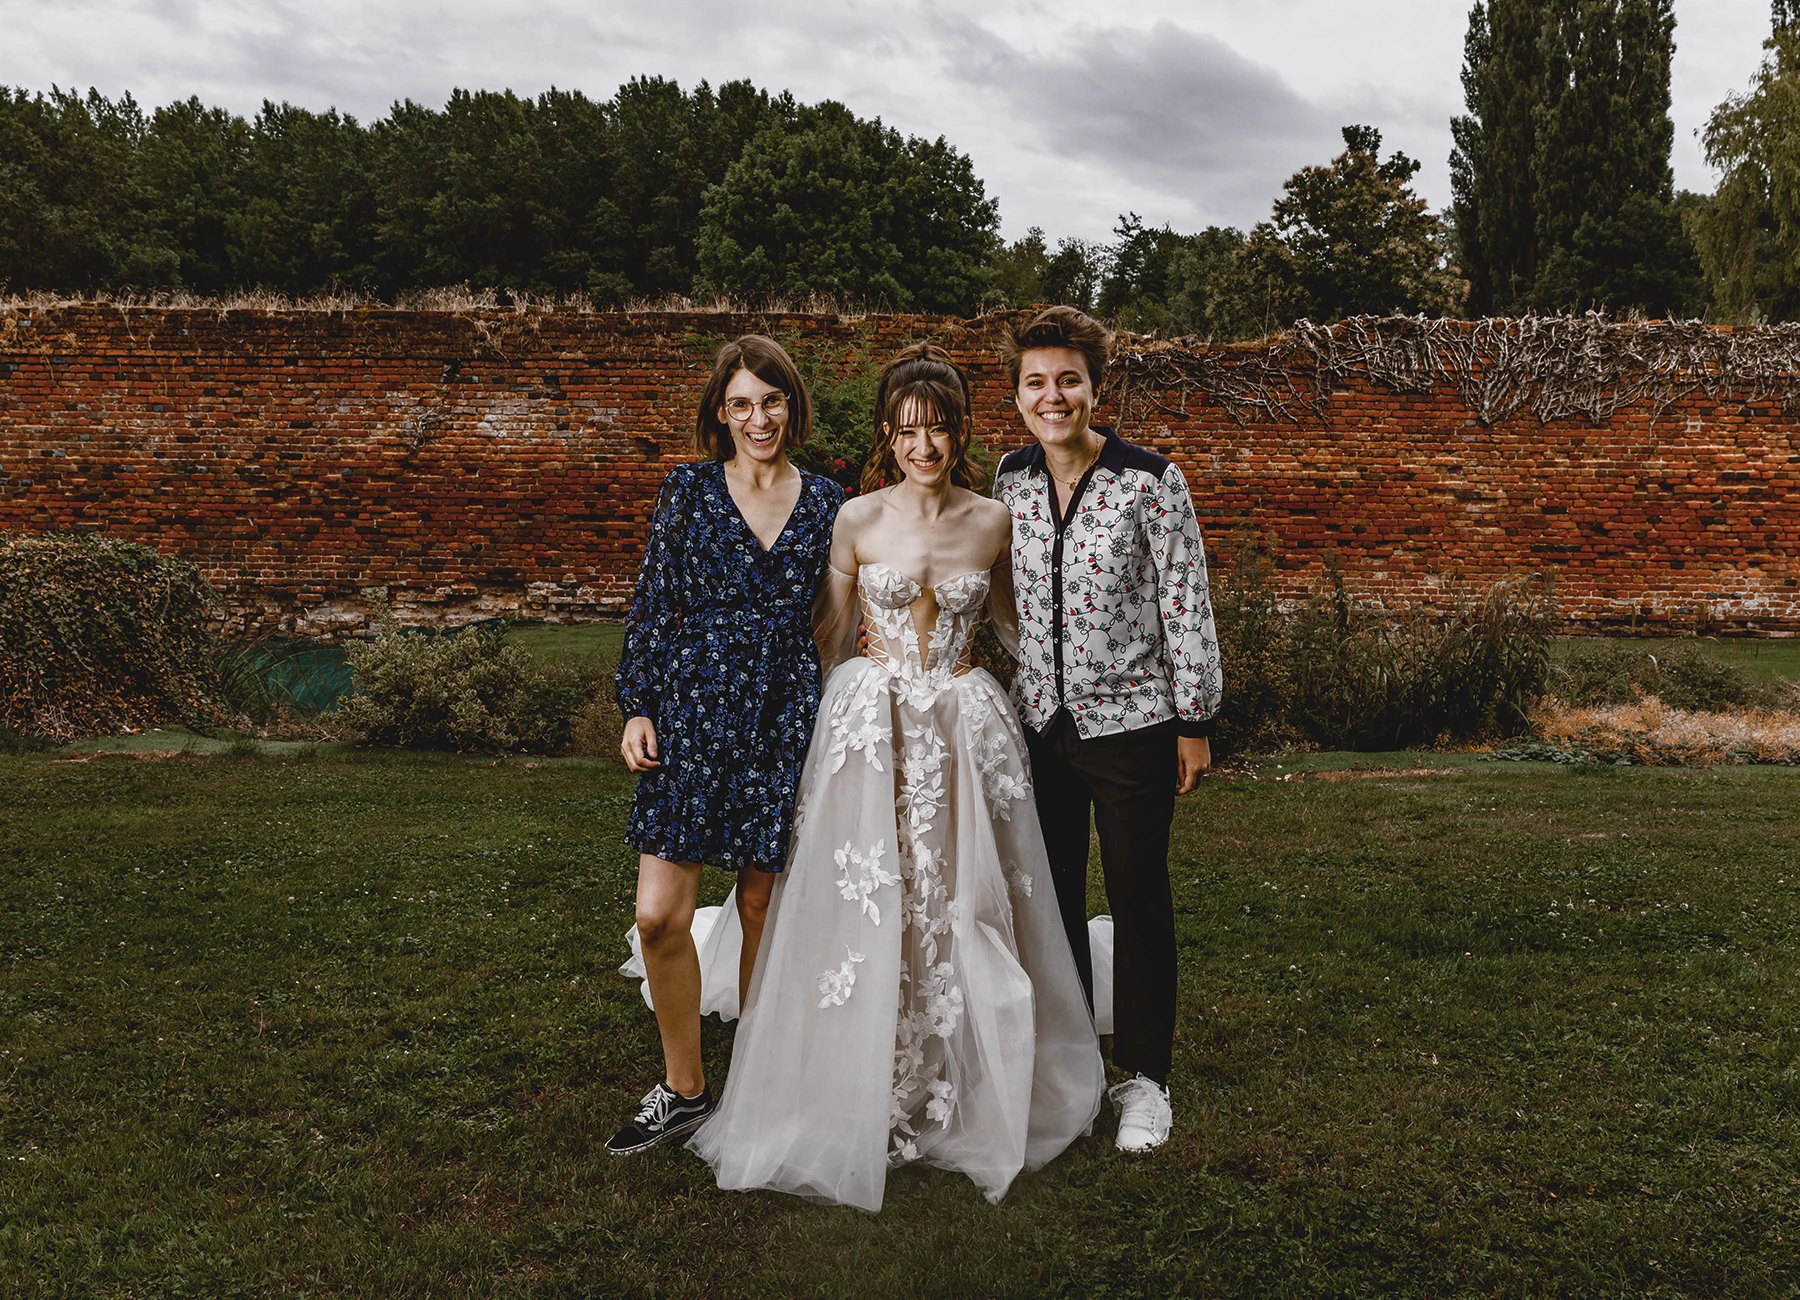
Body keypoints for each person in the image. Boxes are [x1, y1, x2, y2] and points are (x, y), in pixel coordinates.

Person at [688, 343, 1104, 1211]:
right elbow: (828, 631)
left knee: (960, 893)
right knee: (867, 889)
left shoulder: (994, 520)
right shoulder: (856, 518)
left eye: (940, 429)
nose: (926, 446)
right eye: (909, 431)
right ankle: (858, 1069)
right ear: (888, 434)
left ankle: (957, 1068)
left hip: (960, 720)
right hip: (871, 723)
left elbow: (1017, 624)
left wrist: (1087, 698)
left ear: (959, 434)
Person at [605, 335, 843, 1156]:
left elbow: (839, 620)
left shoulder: (826, 502)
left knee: (761, 909)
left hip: (784, 713)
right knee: (658, 915)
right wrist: (637, 706)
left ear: (791, 404)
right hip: (691, 710)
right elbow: (653, 601)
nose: (758, 417)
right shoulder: (687, 489)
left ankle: (758, 1084)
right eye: (740, 403)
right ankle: (685, 1088)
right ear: (720, 411)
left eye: (771, 400)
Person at [992, 305, 1222, 1153]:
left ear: (1096, 387)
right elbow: (1008, 596)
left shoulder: (1149, 480)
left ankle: (1148, 1080)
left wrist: (1194, 720)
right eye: (1036, 383)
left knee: (1136, 896)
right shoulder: (1010, 479)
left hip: (1133, 725)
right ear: (1017, 395)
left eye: (1069, 381)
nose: (1053, 397)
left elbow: (1185, 603)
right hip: (1040, 725)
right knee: (1050, 900)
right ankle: (1073, 1062)